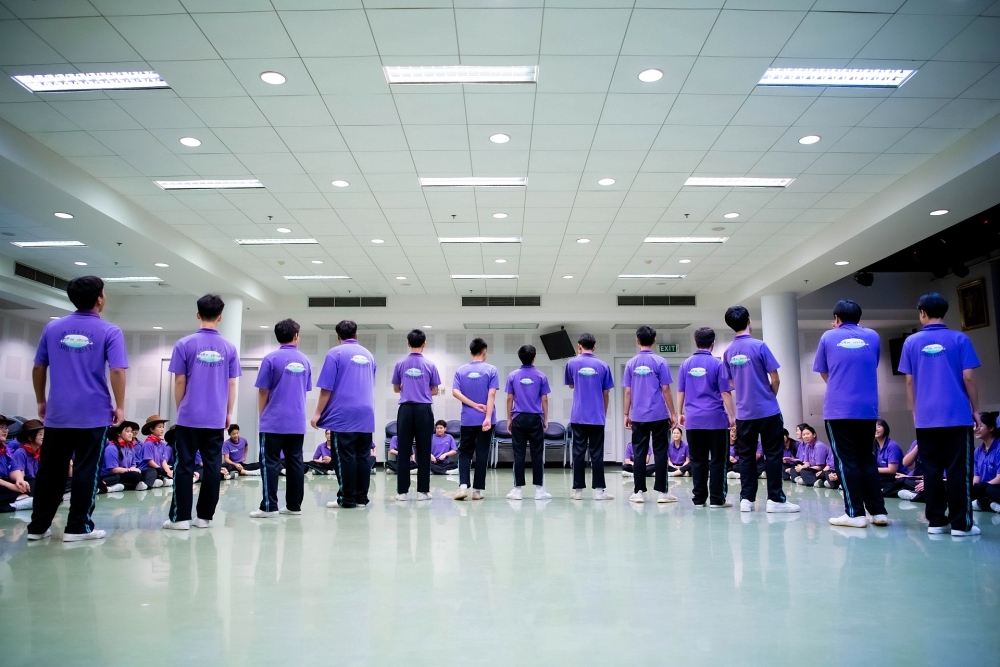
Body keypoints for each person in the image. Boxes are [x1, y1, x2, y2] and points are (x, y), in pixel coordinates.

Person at [28, 275, 127, 542]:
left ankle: (37, 527)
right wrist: (120, 405)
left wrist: (41, 400)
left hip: (58, 413)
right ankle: (77, 527)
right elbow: (117, 370)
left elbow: (38, 367)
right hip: (93, 414)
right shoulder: (110, 331)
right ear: (99, 299)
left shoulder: (52, 328)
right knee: (86, 470)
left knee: (50, 470)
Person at [898, 292, 981, 537]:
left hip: (926, 419)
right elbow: (968, 377)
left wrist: (915, 411)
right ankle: (961, 525)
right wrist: (975, 410)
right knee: (958, 471)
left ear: (922, 313)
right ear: (944, 312)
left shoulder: (911, 342)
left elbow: (909, 381)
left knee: (931, 470)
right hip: (957, 416)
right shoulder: (960, 338)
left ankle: (936, 522)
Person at [163, 294, 240, 531]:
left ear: (198, 314)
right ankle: (204, 517)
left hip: (189, 417)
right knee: (212, 466)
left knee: (184, 466)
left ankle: (180, 518)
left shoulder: (184, 344)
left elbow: (179, 381)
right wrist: (228, 412)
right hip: (216, 419)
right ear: (220, 317)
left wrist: (181, 408)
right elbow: (232, 383)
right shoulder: (229, 348)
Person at [813, 299, 887, 528]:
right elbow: (872, 364)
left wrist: (839, 385)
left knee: (846, 461)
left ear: (836, 318)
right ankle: (878, 512)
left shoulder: (828, 337)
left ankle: (854, 513)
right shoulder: (873, 336)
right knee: (867, 458)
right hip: (867, 409)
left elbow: (824, 372)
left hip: (838, 410)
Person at [722, 305, 798, 514]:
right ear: (749, 320)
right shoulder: (760, 346)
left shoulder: (728, 352)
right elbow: (775, 378)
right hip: (768, 410)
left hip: (744, 413)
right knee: (773, 454)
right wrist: (769, 395)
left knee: (746, 456)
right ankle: (775, 500)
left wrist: (744, 385)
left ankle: (746, 500)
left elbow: (730, 383)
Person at [249, 319, 312, 517]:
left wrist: (263, 416)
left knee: (270, 462)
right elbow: (304, 390)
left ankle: (269, 506)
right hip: (297, 422)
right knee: (295, 463)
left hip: (273, 422)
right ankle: (294, 506)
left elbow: (263, 391)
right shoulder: (305, 361)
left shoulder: (270, 359)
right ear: (296, 336)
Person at [312, 319, 376, 508]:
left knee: (344, 457)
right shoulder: (369, 355)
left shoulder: (335, 353)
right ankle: (361, 499)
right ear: (356, 335)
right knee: (363, 456)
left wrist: (317, 413)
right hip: (366, 415)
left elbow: (326, 387)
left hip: (343, 416)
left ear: (338, 336)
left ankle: (347, 499)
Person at [677, 327, 735, 508]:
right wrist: (733, 416)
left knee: (697, 461)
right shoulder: (718, 364)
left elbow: (681, 391)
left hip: (693, 421)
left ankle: (699, 499)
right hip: (716, 420)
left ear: (696, 343)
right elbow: (725, 392)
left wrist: (679, 413)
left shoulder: (685, 365)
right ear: (713, 344)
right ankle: (717, 500)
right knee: (718, 460)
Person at [623, 326, 678, 504]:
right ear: (654, 341)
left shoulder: (631, 364)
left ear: (637, 341)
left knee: (639, 454)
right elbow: (666, 389)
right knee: (661, 453)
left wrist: (626, 413)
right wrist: (673, 413)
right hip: (659, 415)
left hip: (638, 417)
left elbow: (628, 392)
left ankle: (638, 492)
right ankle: (663, 493)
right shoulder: (660, 362)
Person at [565, 333, 614, 501]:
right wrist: (603, 413)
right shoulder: (603, 365)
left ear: (579, 346)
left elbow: (571, 385)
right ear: (594, 347)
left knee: (578, 453)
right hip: (597, 417)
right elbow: (606, 393)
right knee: (597, 453)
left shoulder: (571, 363)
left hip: (578, 416)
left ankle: (578, 491)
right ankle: (599, 492)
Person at [452, 337, 498, 501]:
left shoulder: (460, 371)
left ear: (471, 352)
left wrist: (473, 405)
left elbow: (455, 392)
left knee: (465, 452)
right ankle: (477, 491)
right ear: (484, 352)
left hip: (467, 420)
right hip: (487, 419)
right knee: (482, 453)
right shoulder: (491, 370)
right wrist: (487, 417)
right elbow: (491, 394)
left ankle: (463, 487)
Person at [505, 345, 552, 501]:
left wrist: (509, 419)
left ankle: (517, 490)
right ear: (534, 358)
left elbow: (509, 398)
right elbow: (544, 399)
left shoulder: (512, 375)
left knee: (518, 454)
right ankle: (539, 491)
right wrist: (545, 419)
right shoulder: (541, 376)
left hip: (518, 418)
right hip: (535, 419)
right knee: (537, 454)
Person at [103, 420, 159, 490]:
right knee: (135, 476)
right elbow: (114, 469)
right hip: (114, 474)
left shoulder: (130, 447)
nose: (131, 434)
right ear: (119, 433)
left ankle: (146, 485)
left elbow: (133, 464)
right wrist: (129, 470)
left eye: (131, 432)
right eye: (127, 431)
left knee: (151, 471)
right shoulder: (111, 448)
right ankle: (146, 483)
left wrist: (133, 469)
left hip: (127, 473)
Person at [0, 415, 33, 512]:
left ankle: (18, 498)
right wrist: (13, 487)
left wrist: (20, 480)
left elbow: (14, 468)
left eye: (6, 428)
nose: (5, 431)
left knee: (31, 484)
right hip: (2, 485)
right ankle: (16, 502)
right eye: (1, 428)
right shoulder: (20, 450)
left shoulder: (5, 449)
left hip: (5, 482)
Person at [971, 412, 1000, 513]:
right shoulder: (977, 451)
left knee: (989, 490)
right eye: (974, 425)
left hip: (994, 488)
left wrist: (980, 488)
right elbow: (977, 477)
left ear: (991, 428)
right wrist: (974, 490)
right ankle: (989, 504)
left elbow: (999, 479)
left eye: (979, 426)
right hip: (985, 488)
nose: (975, 429)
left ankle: (984, 503)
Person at [873, 419, 904, 494]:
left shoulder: (892, 446)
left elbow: (892, 470)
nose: (876, 429)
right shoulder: (874, 446)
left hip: (896, 477)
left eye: (879, 426)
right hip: (883, 476)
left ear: (885, 429)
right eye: (874, 427)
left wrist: (873, 469)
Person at [140, 415, 172, 486]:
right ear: (152, 429)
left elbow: (163, 461)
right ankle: (147, 485)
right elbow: (150, 462)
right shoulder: (148, 444)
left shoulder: (162, 443)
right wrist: (160, 469)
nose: (162, 429)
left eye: (163, 427)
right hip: (147, 469)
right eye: (159, 427)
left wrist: (168, 471)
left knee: (172, 471)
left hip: (158, 468)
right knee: (153, 472)